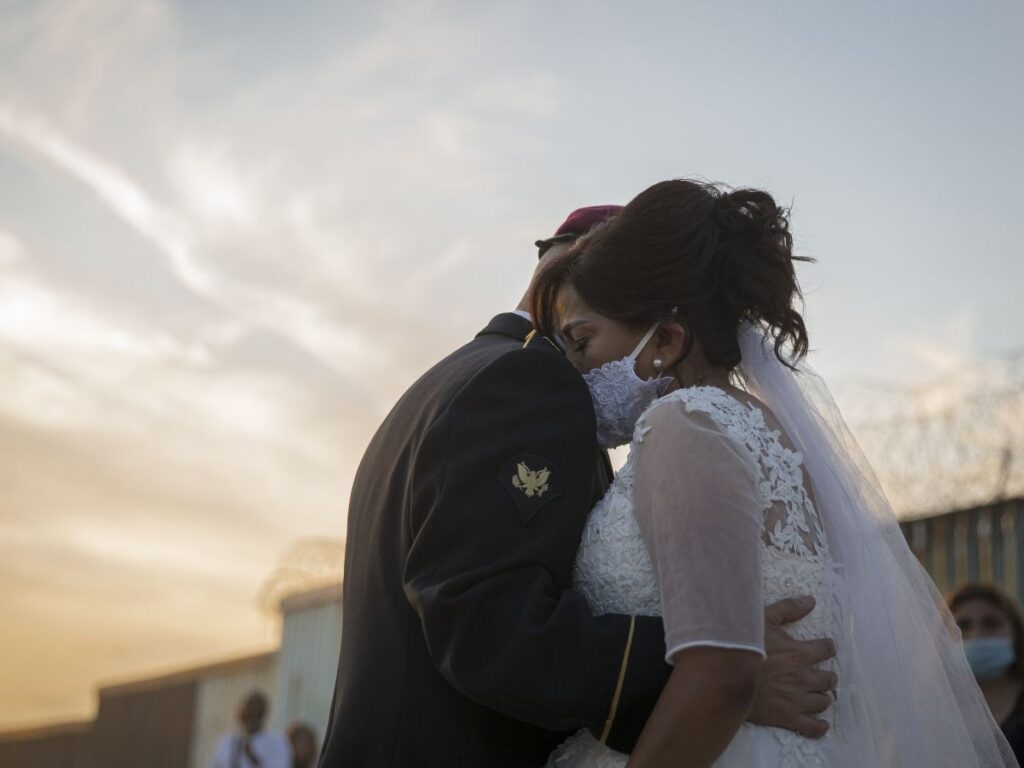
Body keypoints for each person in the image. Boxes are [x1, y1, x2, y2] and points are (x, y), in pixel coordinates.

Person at [317, 206, 836, 767]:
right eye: (578, 338)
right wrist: (707, 671)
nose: (584, 364)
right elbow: (489, 623)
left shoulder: (450, 379)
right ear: (570, 270)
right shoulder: (529, 381)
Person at [530, 179, 1018, 767]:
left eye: (583, 341)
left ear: (664, 338)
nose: (576, 368)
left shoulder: (685, 425)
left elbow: (723, 673)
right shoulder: (768, 436)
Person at [951, 582, 1024, 761]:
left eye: (991, 624)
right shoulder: (929, 711)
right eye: (963, 626)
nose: (977, 636)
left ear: (1015, 634)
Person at [209, 690, 291, 768]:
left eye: (256, 712)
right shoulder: (227, 741)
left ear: (263, 715)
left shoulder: (277, 743)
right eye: (248, 710)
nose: (251, 716)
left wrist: (253, 759)